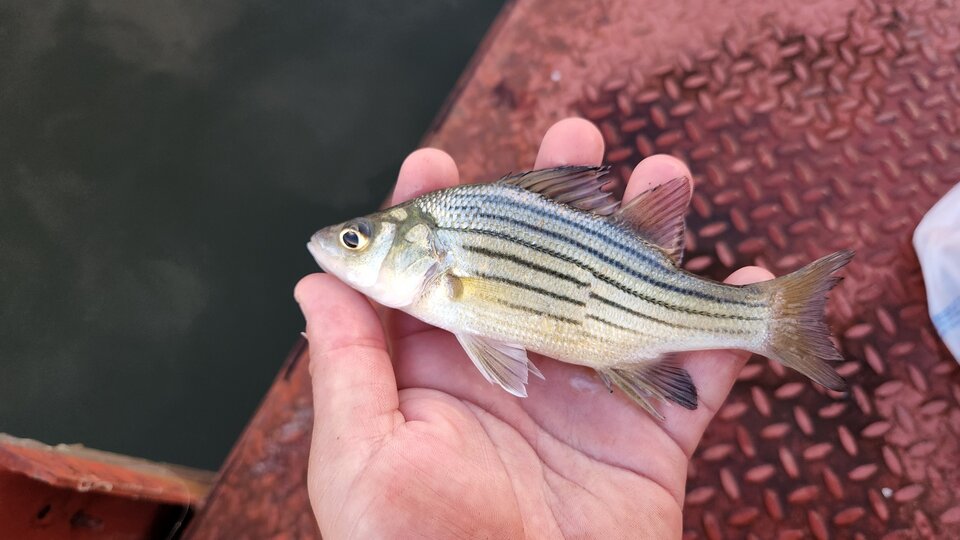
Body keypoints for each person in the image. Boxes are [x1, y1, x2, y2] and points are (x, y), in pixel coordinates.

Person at [294, 117, 772, 538]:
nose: (337, 246)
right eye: (354, 240)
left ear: (424, 249)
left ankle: (766, 320)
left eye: (354, 240)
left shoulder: (444, 244)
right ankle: (757, 319)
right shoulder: (440, 255)